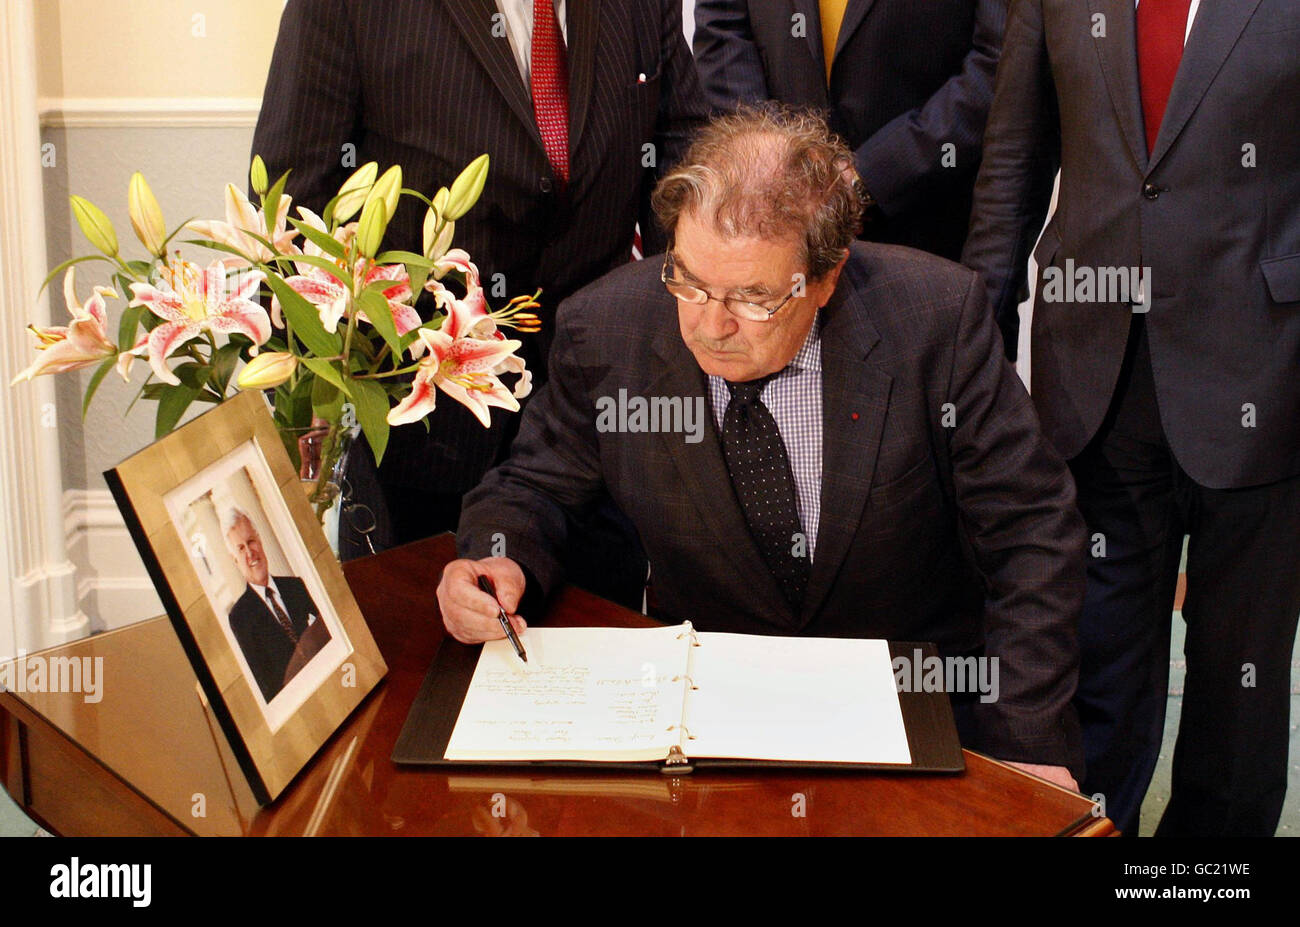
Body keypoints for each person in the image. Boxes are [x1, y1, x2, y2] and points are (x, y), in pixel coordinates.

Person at [437, 108, 1088, 787]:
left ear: (827, 276)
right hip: (708, 708)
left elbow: (1032, 533)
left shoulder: (935, 320)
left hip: (909, 700)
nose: (711, 324)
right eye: (687, 279)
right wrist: (493, 561)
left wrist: (1026, 742)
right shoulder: (605, 331)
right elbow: (533, 488)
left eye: (752, 297)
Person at [962, 0, 1300, 836]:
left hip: (1267, 368)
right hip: (1094, 380)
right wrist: (975, 343)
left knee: (1237, 689)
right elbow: (1014, 153)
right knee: (1094, 675)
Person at [251, 0, 708, 602]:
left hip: (595, 431)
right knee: (430, 673)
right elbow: (294, 216)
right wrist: (304, 408)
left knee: (601, 665)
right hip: (422, 437)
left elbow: (682, 179)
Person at [691, 0, 1007, 261]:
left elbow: (999, 60)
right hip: (770, 224)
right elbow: (723, 26)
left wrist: (869, 174)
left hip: (926, 228)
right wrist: (778, 164)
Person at [224, 508, 330, 702]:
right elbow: (265, 686)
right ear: (234, 560)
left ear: (260, 541)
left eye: (251, 542)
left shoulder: (296, 586)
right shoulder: (239, 618)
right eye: (240, 548)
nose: (250, 553)